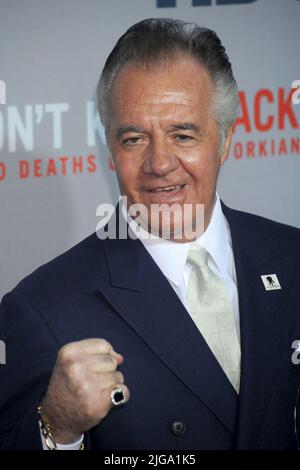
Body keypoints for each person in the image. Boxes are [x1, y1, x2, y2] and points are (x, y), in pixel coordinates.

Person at [0, 18, 300, 451]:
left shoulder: (292, 258)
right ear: (110, 148)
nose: (159, 163)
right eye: (135, 138)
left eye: (182, 134)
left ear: (226, 140)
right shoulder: (42, 308)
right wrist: (56, 428)